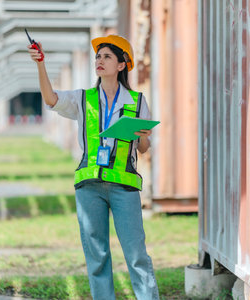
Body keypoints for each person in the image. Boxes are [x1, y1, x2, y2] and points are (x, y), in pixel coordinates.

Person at [28, 35, 160, 300]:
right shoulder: (83, 98)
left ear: (122, 65)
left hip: (124, 187)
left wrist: (142, 136)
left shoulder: (137, 101)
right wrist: (40, 64)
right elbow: (51, 99)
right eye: (98, 57)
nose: (99, 61)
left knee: (136, 255)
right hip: (89, 187)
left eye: (107, 56)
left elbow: (143, 149)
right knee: (97, 257)